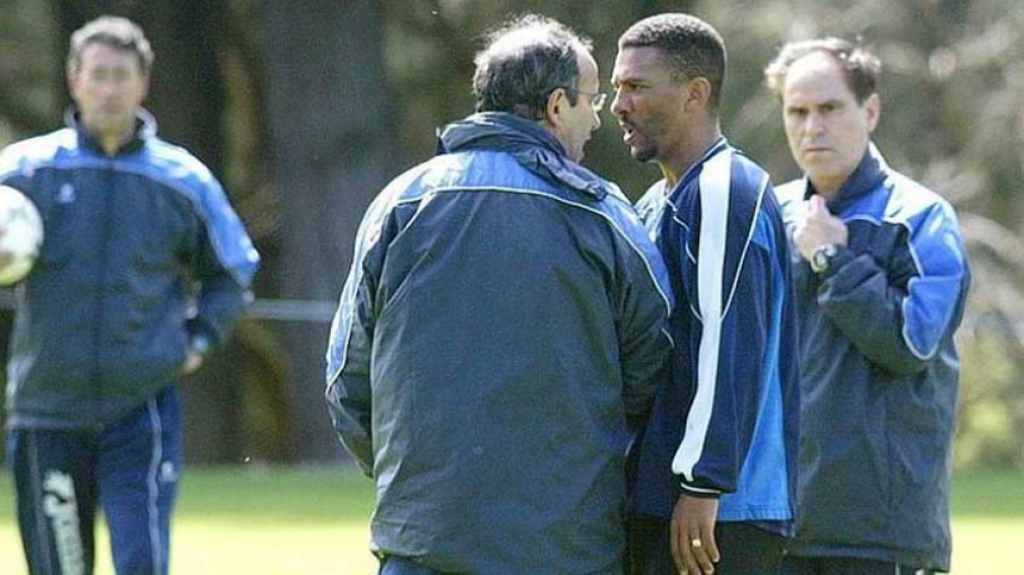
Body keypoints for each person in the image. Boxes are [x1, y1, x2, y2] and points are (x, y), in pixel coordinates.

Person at [325, 14, 674, 575]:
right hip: (568, 548)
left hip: (424, 542)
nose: (597, 120)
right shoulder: (605, 215)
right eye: (591, 101)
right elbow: (651, 363)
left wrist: (411, 475)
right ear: (557, 106)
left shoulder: (401, 202)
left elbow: (347, 375)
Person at [0, 16, 259, 575]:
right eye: (97, 74)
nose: (109, 88)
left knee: (141, 564)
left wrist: (197, 339)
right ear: (75, 81)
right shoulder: (24, 174)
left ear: (143, 84)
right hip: (48, 412)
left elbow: (233, 272)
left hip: (139, 414)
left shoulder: (182, 181)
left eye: (121, 75)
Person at [764, 38, 970, 574]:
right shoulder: (770, 213)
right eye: (798, 111)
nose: (813, 127)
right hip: (778, 527)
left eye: (830, 108)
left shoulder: (922, 218)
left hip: (881, 538)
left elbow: (911, 342)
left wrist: (833, 258)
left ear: (870, 110)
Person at [612, 13, 800, 575]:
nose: (619, 105)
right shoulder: (657, 198)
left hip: (719, 511)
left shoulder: (724, 190)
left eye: (637, 88)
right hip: (670, 499)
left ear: (696, 94)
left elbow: (727, 340)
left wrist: (703, 482)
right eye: (617, 88)